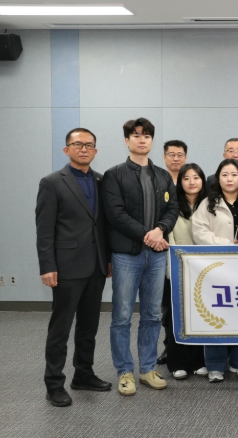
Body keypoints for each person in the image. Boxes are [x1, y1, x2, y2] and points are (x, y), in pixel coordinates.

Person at [36, 128, 112, 407]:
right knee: (61, 328)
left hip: (96, 265)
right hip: (66, 267)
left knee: (89, 326)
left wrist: (108, 259)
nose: (83, 149)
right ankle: (54, 383)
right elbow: (44, 229)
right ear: (66, 149)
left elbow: (103, 225)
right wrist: (47, 266)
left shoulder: (102, 181)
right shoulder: (52, 182)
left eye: (89, 145)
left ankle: (83, 374)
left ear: (95, 151)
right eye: (78, 144)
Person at [102, 118, 179, 396]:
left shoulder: (162, 175)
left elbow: (173, 208)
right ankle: (124, 371)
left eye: (147, 135)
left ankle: (147, 369)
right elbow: (116, 214)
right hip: (127, 256)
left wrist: (160, 230)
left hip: (156, 257)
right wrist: (149, 235)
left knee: (152, 315)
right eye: (136, 135)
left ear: (151, 140)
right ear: (127, 140)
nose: (142, 139)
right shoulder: (114, 175)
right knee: (122, 316)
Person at [192, 159, 238, 383]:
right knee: (216, 314)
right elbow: (199, 232)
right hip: (216, 266)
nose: (229, 179)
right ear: (218, 178)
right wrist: (227, 244)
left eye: (234, 174)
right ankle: (216, 365)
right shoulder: (208, 203)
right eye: (225, 174)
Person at [164, 163, 208, 380]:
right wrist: (173, 267)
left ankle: (199, 361)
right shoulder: (172, 206)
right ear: (180, 182)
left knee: (201, 315)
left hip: (205, 270)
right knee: (177, 317)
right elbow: (169, 238)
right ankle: (177, 362)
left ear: (203, 181)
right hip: (179, 267)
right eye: (186, 178)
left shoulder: (210, 204)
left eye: (196, 178)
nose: (192, 182)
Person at [158, 139, 188, 366]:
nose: (175, 158)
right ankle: (169, 347)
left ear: (185, 157)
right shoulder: (158, 180)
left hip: (188, 253)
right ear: (164, 157)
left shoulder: (190, 180)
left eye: (180, 155)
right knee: (168, 306)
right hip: (162, 249)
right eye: (171, 154)